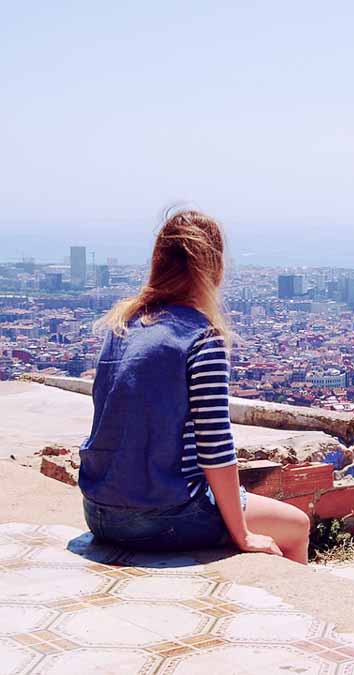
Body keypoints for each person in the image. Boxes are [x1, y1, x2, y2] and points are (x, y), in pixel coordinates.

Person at [79, 209, 310, 563]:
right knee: (297, 525)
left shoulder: (121, 327)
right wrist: (243, 534)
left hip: (97, 512)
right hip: (162, 518)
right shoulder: (201, 338)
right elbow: (215, 447)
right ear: (213, 268)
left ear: (158, 262)